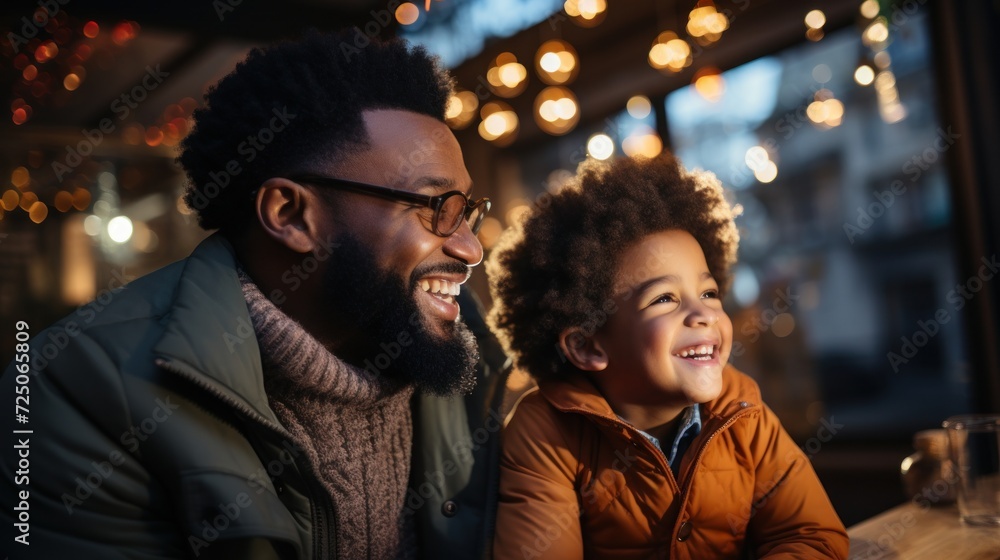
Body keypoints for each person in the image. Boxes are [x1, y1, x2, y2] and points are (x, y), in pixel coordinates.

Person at [0, 29, 509, 559]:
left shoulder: (464, 354)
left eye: (468, 212)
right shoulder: (78, 388)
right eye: (435, 208)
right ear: (289, 215)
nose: (471, 249)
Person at [486, 153, 849, 559]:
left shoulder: (743, 411)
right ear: (588, 346)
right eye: (664, 299)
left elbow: (812, 536)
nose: (704, 315)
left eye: (709, 293)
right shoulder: (545, 433)